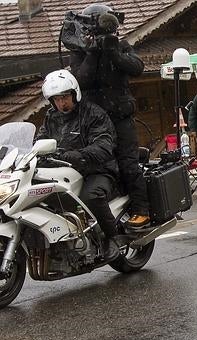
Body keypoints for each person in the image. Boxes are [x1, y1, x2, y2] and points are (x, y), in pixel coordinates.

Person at [68, 3, 150, 228]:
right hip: (93, 122)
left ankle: (142, 210)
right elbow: (81, 80)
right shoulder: (80, 52)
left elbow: (137, 67)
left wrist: (112, 50)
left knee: (128, 163)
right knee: (91, 165)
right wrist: (92, 53)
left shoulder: (121, 45)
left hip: (120, 117)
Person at [36, 69, 119, 261]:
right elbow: (40, 141)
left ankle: (113, 238)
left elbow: (104, 145)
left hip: (97, 170)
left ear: (74, 94)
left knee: (91, 197)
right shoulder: (51, 118)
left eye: (64, 97)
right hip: (65, 173)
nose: (61, 103)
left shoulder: (93, 114)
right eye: (56, 99)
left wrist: (78, 155)